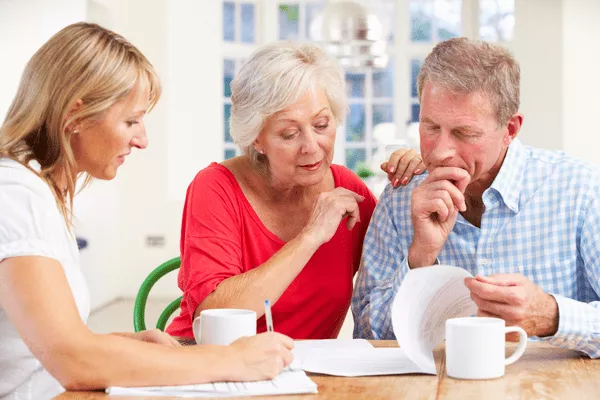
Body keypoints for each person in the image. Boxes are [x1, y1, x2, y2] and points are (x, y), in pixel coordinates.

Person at [0, 22, 294, 399]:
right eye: (130, 120)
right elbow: (71, 360)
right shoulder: (17, 195)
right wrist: (230, 360)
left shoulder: (34, 191)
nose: (142, 139)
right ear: (75, 116)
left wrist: (123, 344)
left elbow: (38, 349)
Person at [352, 37, 600, 357]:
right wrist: (420, 258)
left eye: (464, 133)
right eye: (430, 127)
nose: (440, 152)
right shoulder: (400, 199)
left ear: (510, 128)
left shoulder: (580, 191)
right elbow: (368, 336)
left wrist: (552, 316)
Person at [166, 41, 425, 340]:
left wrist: (417, 177)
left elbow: (400, 273)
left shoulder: (348, 190)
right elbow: (214, 312)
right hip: (211, 361)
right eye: (289, 133)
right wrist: (310, 237)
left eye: (322, 124)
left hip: (307, 374)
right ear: (256, 139)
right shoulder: (216, 187)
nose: (312, 147)